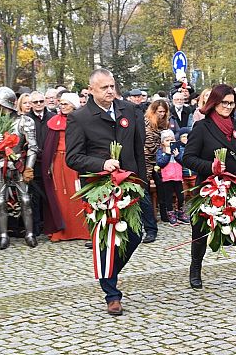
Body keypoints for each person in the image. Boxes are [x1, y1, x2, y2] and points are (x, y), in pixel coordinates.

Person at [66, 68, 145, 316]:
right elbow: (73, 157)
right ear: (91, 90)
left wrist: (143, 181)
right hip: (100, 188)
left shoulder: (130, 110)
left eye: (112, 86)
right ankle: (111, 293)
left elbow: (138, 148)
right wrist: (101, 164)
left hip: (130, 184)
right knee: (107, 238)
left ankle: (108, 271)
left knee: (134, 235)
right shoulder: (79, 118)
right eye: (104, 88)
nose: (110, 91)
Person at [183, 84, 236, 297]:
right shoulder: (202, 127)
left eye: (232, 103)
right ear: (214, 103)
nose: (228, 107)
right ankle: (195, 268)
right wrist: (209, 166)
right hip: (209, 189)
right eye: (224, 103)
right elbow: (188, 157)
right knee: (200, 232)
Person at [0, 87, 39, 249]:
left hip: (18, 163)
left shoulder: (25, 121)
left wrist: (29, 168)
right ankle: (3, 235)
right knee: (0, 201)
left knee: (26, 200)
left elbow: (33, 147)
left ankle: (29, 233)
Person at [41, 93, 90, 241]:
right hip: (58, 162)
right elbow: (49, 145)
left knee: (78, 194)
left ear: (73, 105)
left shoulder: (82, 119)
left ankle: (82, 230)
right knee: (60, 196)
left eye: (65, 104)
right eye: (61, 104)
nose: (62, 106)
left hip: (75, 162)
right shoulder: (54, 121)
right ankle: (62, 230)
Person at [28, 91, 55, 235]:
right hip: (34, 163)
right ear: (30, 104)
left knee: (51, 195)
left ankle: (51, 226)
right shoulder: (26, 119)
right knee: (35, 197)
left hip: (51, 162)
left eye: (40, 101)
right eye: (35, 102)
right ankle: (36, 227)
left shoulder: (53, 117)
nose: (38, 104)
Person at [144, 99, 171, 225]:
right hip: (147, 160)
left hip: (158, 159)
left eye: (164, 112)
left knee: (163, 187)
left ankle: (164, 214)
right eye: (160, 111)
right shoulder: (147, 124)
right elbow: (149, 145)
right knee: (146, 189)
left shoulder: (164, 124)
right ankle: (149, 219)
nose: (162, 114)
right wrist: (162, 148)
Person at [156, 129, 188, 225]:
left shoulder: (178, 150)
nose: (170, 142)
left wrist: (177, 155)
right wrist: (167, 154)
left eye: (171, 140)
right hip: (167, 179)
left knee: (181, 197)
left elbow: (183, 162)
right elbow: (161, 163)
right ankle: (170, 213)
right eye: (167, 140)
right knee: (168, 198)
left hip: (178, 177)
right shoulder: (160, 151)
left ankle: (180, 212)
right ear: (163, 142)